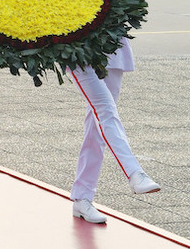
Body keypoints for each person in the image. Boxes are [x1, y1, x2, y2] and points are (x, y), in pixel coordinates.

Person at [69, 37, 161, 224]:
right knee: (106, 110)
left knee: (96, 127)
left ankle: (81, 197)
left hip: (112, 48)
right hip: (77, 48)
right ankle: (135, 173)